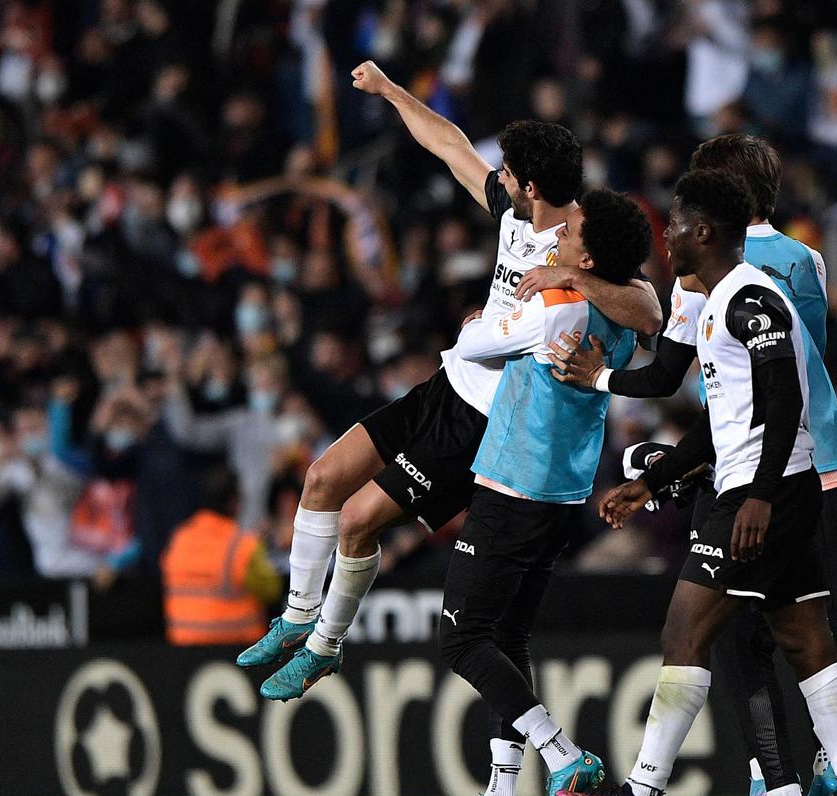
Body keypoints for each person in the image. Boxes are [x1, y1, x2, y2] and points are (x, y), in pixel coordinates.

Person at [550, 135, 837, 796]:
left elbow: (783, 396)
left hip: (767, 490)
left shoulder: (745, 298)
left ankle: (645, 791)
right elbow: (722, 414)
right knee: (809, 640)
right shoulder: (746, 287)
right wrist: (659, 479)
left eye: (675, 227)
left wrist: (755, 493)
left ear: (705, 232)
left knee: (686, 629)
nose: (667, 240)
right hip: (775, 483)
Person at [238, 59, 660, 693]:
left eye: (511, 172)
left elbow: (650, 310)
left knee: (357, 521)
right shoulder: (516, 211)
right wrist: (388, 89)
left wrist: (575, 276)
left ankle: (325, 645)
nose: (500, 178)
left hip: (484, 421)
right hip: (446, 384)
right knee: (322, 478)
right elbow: (446, 142)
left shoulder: (583, 236)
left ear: (534, 185)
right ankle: (297, 618)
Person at [434, 188, 650, 796]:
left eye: (572, 229)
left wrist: (483, 320)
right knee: (508, 634)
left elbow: (472, 348)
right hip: (563, 489)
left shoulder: (556, 304)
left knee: (461, 637)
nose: (559, 231)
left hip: (515, 481)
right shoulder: (620, 304)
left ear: (588, 254)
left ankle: (562, 755)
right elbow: (649, 309)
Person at [162, 467, 281, 645]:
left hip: (182, 648)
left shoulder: (178, 539)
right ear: (233, 502)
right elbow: (272, 590)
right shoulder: (244, 545)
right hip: (234, 650)